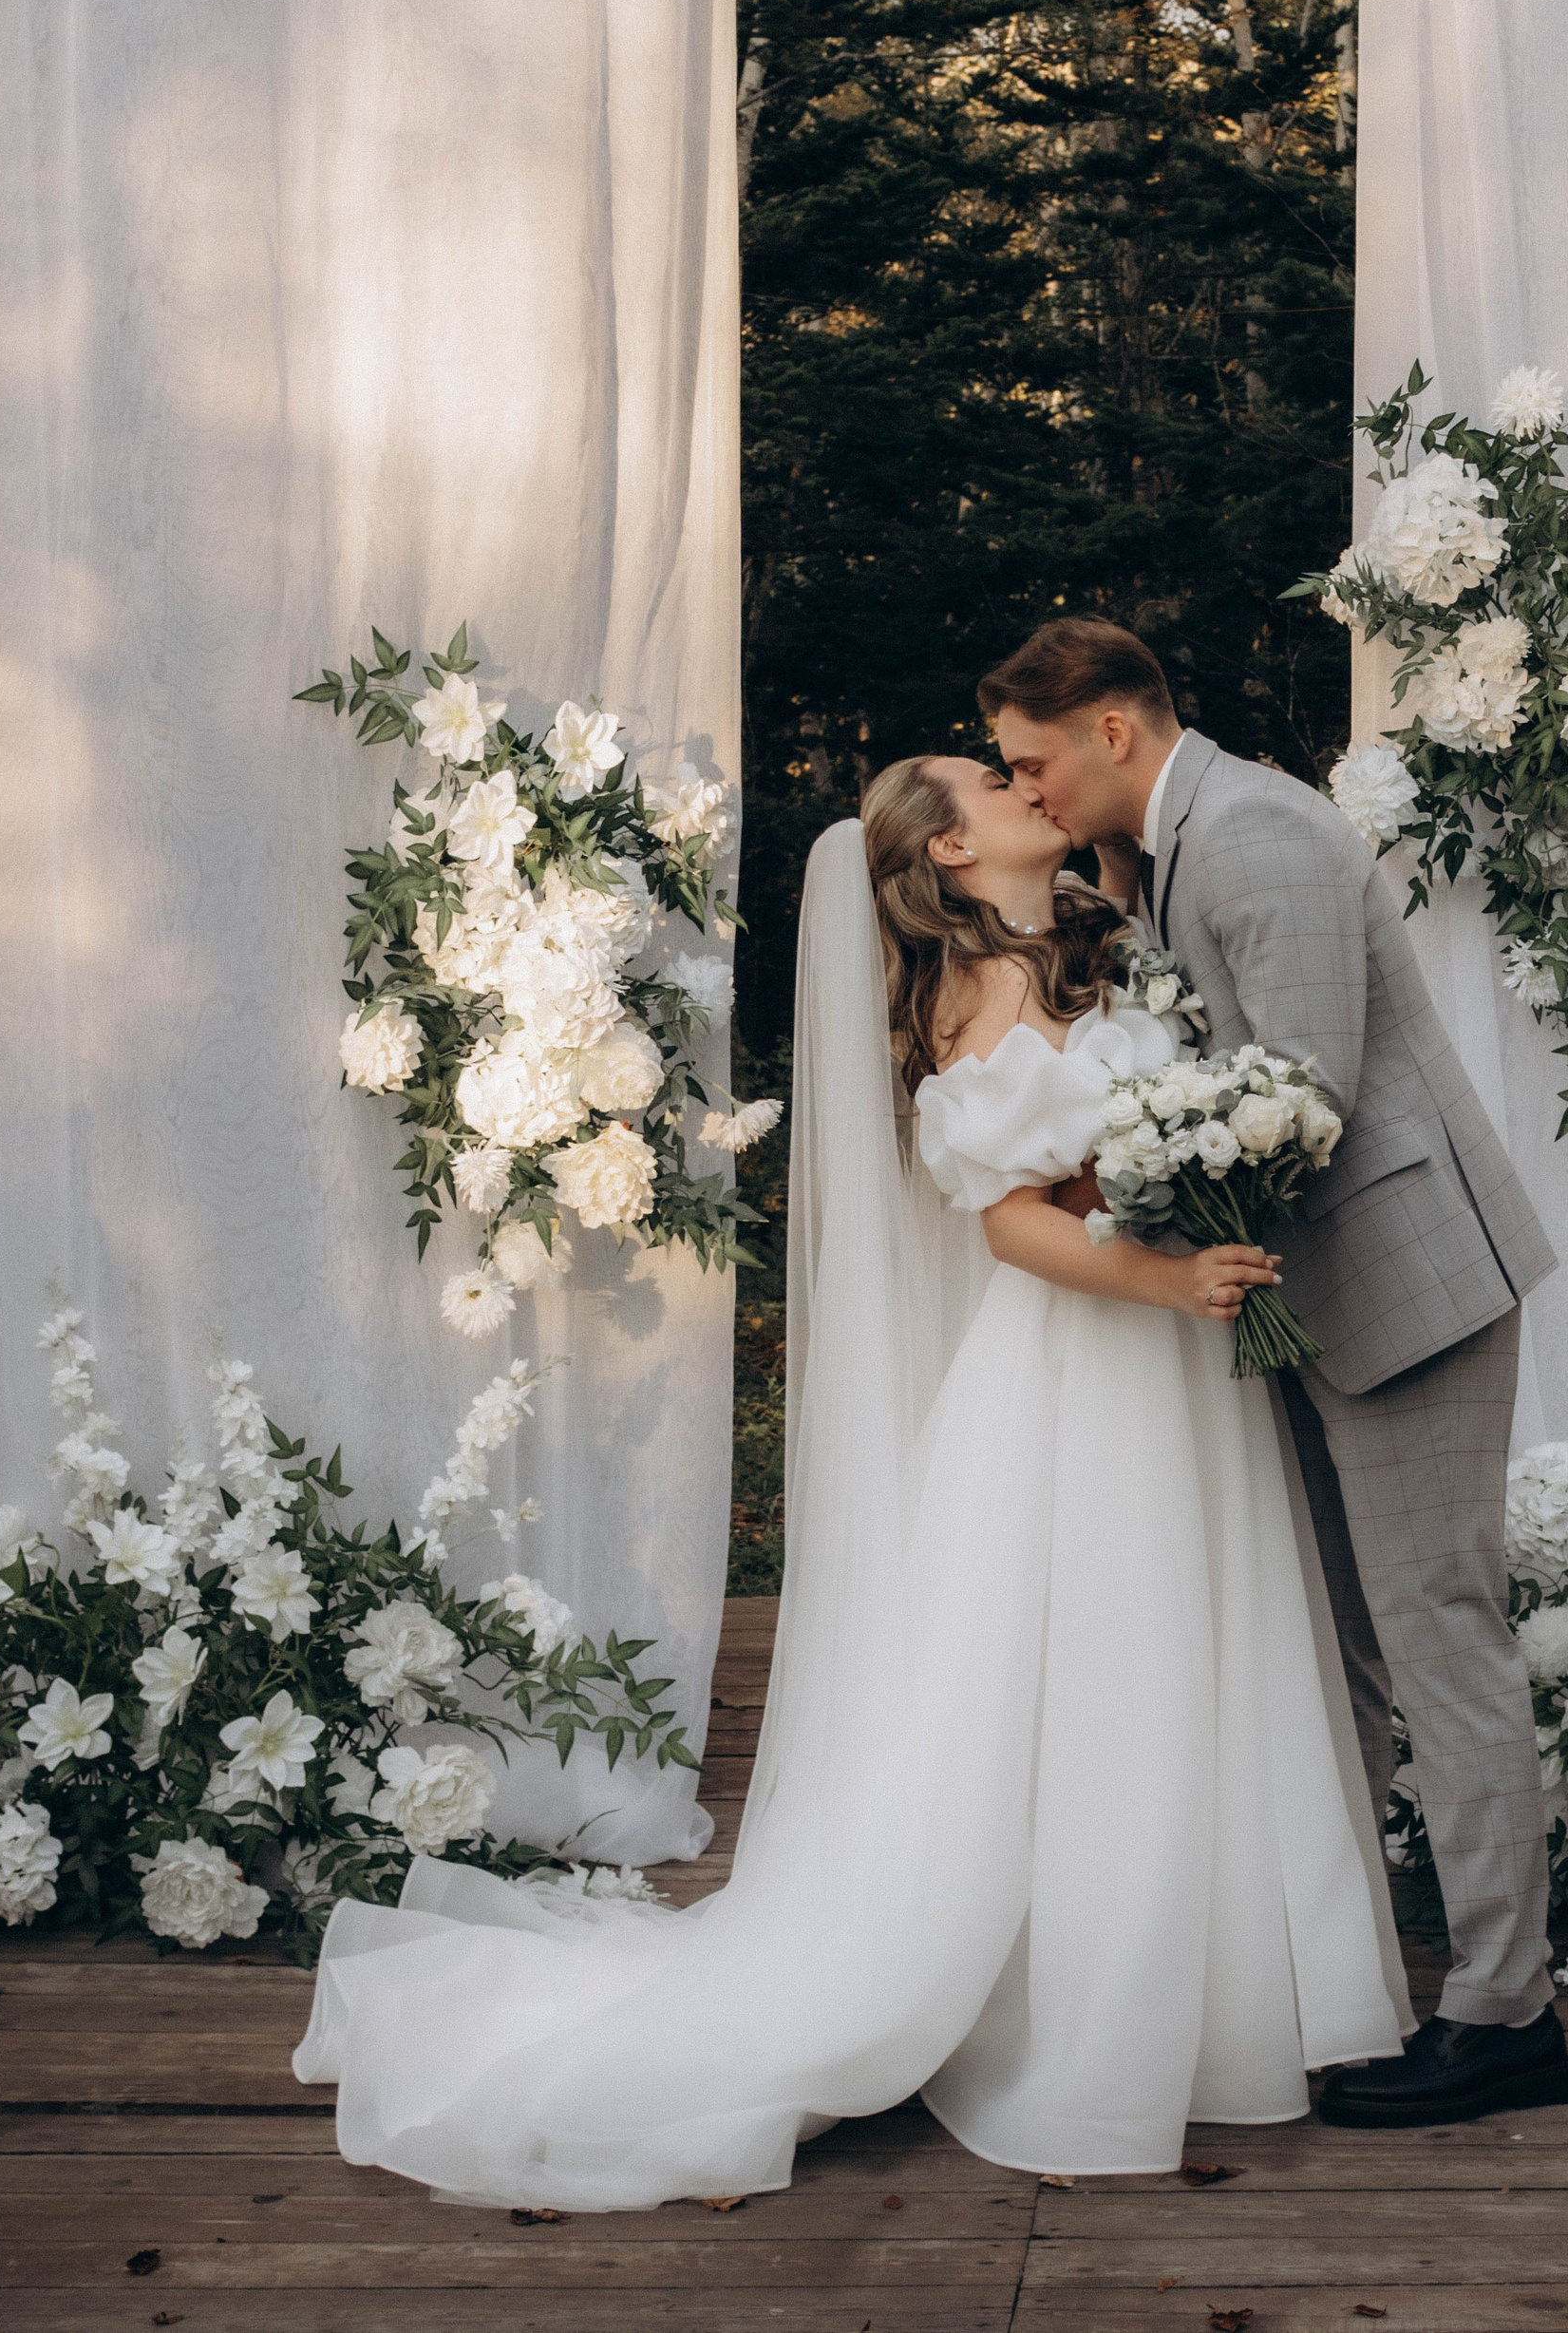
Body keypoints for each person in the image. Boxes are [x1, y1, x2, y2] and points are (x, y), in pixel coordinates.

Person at [292, 756, 1407, 2209]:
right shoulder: (965, 1003)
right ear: (948, 846)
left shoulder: (1092, 941)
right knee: (1103, 1663)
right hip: (1090, 1355)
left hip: (1175, 1363)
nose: (1021, 782)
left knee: (1196, 1647)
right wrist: (1171, 1266)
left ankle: (1218, 1992)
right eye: (987, 779)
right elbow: (1013, 1227)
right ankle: (1092, 2016)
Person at [981, 614, 1568, 2129]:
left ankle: (1509, 2016)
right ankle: (1358, 1973)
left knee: (1441, 1637)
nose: (1027, 788)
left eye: (1033, 760)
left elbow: (1295, 1100)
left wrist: (1115, 1211)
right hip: (1318, 1299)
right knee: (1351, 1647)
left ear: (1115, 728)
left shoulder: (1249, 834)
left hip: (1409, 1293)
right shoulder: (1158, 858)